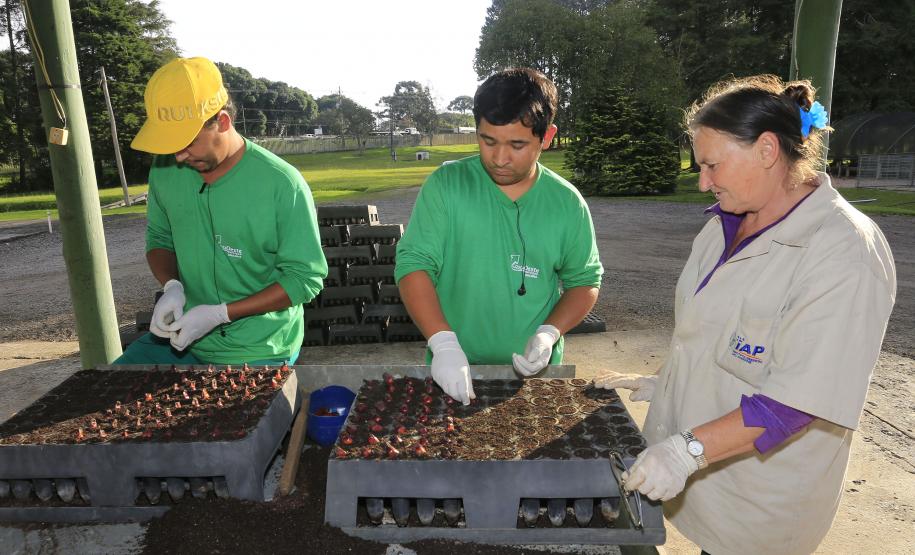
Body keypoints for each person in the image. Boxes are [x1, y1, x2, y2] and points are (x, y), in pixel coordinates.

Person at [595, 75, 896, 554]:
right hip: (706, 480)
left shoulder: (843, 251)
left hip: (759, 498)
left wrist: (684, 452)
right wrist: (670, 380)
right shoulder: (721, 227)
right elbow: (712, 334)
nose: (703, 182)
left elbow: (800, 400)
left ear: (767, 150)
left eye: (712, 165)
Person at [395, 68, 603, 404]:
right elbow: (414, 265)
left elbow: (585, 281)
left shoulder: (566, 203)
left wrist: (549, 334)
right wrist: (443, 344)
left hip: (535, 376)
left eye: (517, 144)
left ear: (546, 137)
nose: (500, 158)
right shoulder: (448, 186)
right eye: (487, 141)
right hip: (453, 369)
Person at [115, 57, 327, 366]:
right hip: (180, 336)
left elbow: (304, 279)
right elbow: (160, 238)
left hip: (258, 347)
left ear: (223, 122)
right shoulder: (164, 171)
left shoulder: (282, 185)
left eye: (187, 142)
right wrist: (172, 286)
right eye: (171, 144)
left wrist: (220, 313)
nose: (178, 156)